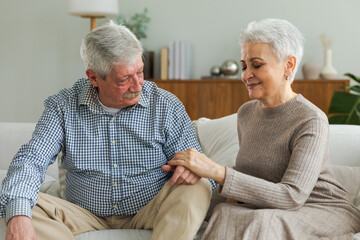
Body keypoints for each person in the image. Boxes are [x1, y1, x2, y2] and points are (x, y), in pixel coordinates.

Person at [0, 20, 215, 240]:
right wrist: (18, 214)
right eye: (125, 79)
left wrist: (192, 168)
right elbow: (31, 160)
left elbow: (200, 164)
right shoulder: (63, 106)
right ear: (93, 77)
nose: (138, 85)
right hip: (82, 214)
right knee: (16, 207)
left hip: (152, 209)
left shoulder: (165, 105)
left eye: (140, 72)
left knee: (199, 186)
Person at [167, 18, 360, 239]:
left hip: (321, 208)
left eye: (256, 65)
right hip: (271, 207)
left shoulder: (311, 119)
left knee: (263, 221)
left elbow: (292, 196)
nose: (245, 75)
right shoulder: (246, 113)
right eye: (244, 66)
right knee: (225, 211)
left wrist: (218, 172)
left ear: (289, 65)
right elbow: (250, 175)